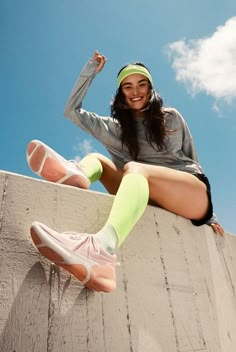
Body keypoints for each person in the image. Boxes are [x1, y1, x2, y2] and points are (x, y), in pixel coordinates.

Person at [27, 50, 224, 293]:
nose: (135, 91)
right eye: (128, 86)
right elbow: (72, 112)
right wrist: (90, 72)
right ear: (121, 93)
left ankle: (102, 250)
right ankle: (78, 175)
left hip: (192, 195)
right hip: (149, 195)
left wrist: (212, 216)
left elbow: (192, 157)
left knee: (134, 168)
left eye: (142, 84)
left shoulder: (170, 118)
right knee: (97, 159)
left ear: (150, 89)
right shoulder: (115, 129)